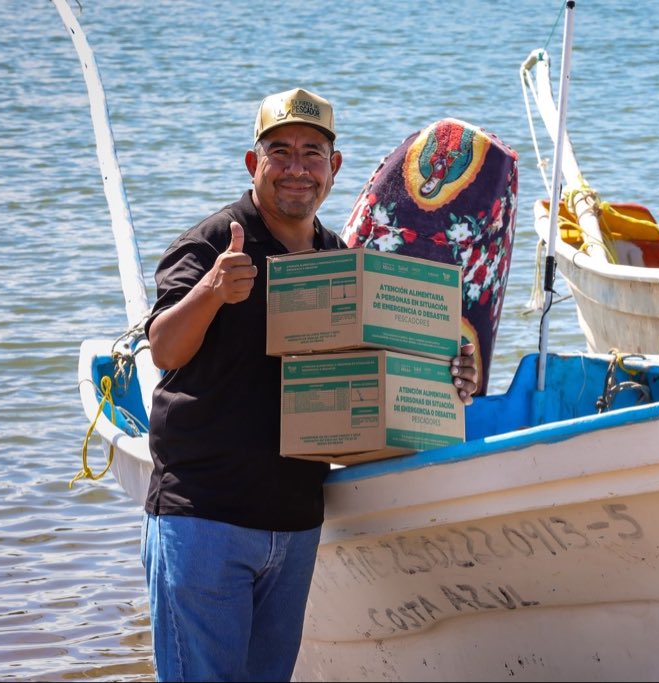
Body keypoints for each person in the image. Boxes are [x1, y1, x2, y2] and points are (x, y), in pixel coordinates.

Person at [141, 86, 479, 682]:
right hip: (205, 518)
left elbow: (378, 373)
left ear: (334, 168)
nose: (297, 168)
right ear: (254, 163)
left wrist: (448, 374)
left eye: (312, 153)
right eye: (281, 151)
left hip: (295, 522)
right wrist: (213, 292)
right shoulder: (215, 241)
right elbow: (165, 348)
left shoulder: (338, 257)